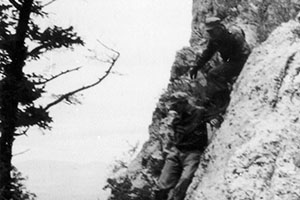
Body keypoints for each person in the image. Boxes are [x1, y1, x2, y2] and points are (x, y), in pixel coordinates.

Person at [154, 92, 223, 200]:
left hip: (192, 153)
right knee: (163, 183)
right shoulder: (177, 117)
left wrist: (215, 120)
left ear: (183, 103)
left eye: (175, 105)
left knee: (185, 180)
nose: (173, 108)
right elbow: (172, 137)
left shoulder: (199, 112)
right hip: (176, 151)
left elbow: (216, 117)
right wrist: (171, 124)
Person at [190, 17, 251, 96]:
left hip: (242, 61)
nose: (210, 33)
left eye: (211, 31)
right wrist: (196, 67)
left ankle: (225, 97)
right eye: (208, 31)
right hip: (231, 62)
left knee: (213, 73)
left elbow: (246, 53)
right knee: (211, 71)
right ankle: (224, 93)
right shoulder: (215, 39)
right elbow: (207, 54)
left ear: (219, 28)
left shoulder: (234, 34)